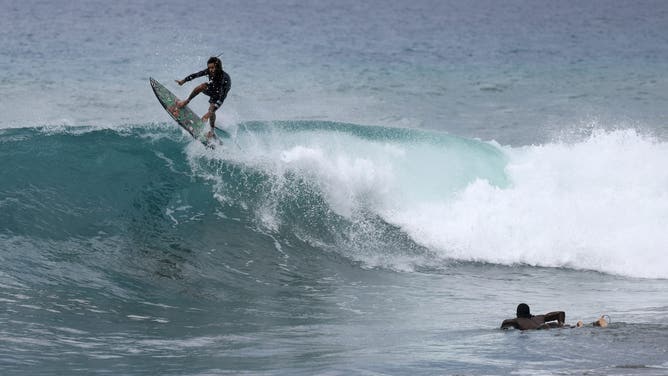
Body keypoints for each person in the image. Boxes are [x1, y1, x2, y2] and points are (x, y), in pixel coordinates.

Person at [174, 56, 231, 139]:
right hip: (213, 88)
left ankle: (211, 132)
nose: (210, 70)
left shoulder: (223, 78)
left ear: (217, 67)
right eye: (209, 68)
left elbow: (221, 98)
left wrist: (208, 114)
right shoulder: (209, 71)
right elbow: (196, 75)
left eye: (212, 68)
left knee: (211, 110)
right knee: (202, 86)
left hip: (221, 93)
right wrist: (183, 81)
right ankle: (186, 101)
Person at [500, 303, 566, 330]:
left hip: (538, 329)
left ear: (517, 314)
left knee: (543, 327)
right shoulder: (540, 317)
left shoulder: (517, 320)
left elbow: (506, 322)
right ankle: (562, 326)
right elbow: (560, 313)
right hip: (548, 326)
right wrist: (561, 324)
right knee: (556, 325)